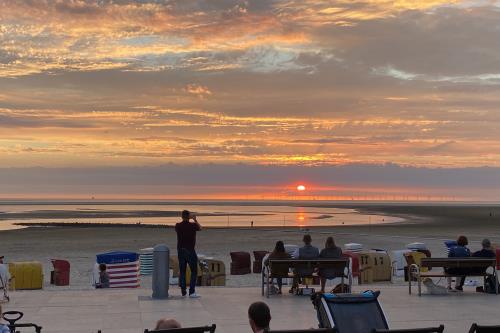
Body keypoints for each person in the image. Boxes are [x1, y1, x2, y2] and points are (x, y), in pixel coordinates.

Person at [175, 210, 202, 298]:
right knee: (194, 271)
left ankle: (183, 292)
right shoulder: (193, 225)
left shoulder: (178, 226)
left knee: (182, 271)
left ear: (182, 217)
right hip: (190, 250)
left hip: (181, 250)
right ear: (189, 216)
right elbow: (201, 228)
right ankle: (191, 292)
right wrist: (195, 220)